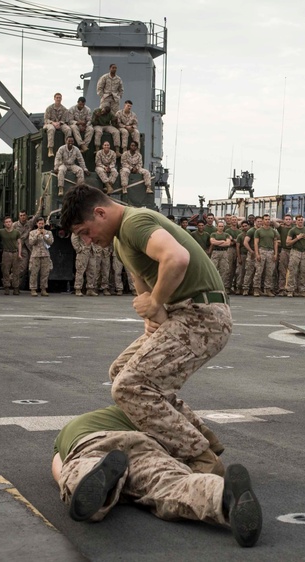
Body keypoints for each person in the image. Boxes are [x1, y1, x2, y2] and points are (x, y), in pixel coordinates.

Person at [60, 184, 230, 475]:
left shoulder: (134, 223)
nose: (87, 241)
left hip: (202, 317)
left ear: (100, 212)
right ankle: (201, 437)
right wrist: (151, 314)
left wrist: (155, 301)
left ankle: (201, 459)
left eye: (85, 232)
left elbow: (176, 258)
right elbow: (141, 276)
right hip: (184, 314)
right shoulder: (119, 239)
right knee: (121, 371)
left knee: (129, 386)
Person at [50, 406, 262, 547]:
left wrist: (66, 481)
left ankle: (96, 482)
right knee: (170, 483)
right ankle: (222, 495)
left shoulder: (67, 432)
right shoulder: (138, 409)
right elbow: (187, 435)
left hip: (92, 443)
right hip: (144, 443)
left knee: (80, 468)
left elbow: (58, 466)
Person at [0, 216, 22, 295]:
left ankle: (16, 288)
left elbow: (19, 243)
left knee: (16, 271)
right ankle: (6, 287)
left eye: (9, 222)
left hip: (15, 253)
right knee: (5, 270)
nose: (8, 223)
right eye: (6, 222)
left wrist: (19, 253)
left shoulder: (16, 232)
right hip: (6, 253)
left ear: (12, 223)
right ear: (4, 224)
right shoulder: (1, 232)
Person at [285, 215, 305, 297]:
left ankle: (301, 290)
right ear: (296, 221)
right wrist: (297, 238)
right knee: (293, 271)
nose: (300, 221)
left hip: (304, 252)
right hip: (295, 251)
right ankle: (290, 290)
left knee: (303, 271)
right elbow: (288, 243)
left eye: (302, 220)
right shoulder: (292, 230)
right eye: (299, 220)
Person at [27, 217, 54, 296]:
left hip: (45, 255)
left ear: (44, 224)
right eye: (39, 223)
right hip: (35, 255)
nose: (41, 225)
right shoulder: (32, 233)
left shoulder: (48, 233)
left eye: (42, 223)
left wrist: (44, 235)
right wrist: (37, 235)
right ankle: (33, 289)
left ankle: (43, 289)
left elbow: (51, 242)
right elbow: (31, 242)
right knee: (34, 273)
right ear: (37, 224)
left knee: (45, 273)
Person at [253, 215, 279, 297]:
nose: (267, 221)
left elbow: (275, 243)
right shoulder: (258, 231)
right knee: (259, 271)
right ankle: (256, 289)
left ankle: (267, 289)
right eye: (266, 219)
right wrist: (257, 253)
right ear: (263, 221)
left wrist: (275, 253)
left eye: (268, 219)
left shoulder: (273, 231)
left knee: (269, 271)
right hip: (262, 250)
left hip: (270, 251)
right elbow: (256, 243)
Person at [44, 93, 72, 158]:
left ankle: (67, 148)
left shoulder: (64, 109)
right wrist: (53, 123)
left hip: (60, 124)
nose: (58, 99)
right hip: (49, 124)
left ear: (61, 99)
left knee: (68, 129)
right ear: (54, 98)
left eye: (59, 98)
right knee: (51, 129)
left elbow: (64, 119)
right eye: (57, 97)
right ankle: (50, 149)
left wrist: (59, 123)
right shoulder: (49, 108)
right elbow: (46, 119)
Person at [209, 219, 234, 292]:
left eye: (222, 226)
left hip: (224, 253)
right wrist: (222, 241)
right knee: (214, 269)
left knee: (224, 270)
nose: (221, 227)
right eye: (219, 226)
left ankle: (223, 286)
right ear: (217, 227)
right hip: (216, 252)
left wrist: (219, 242)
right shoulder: (213, 234)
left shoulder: (226, 234)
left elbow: (228, 243)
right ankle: (213, 286)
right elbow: (212, 242)